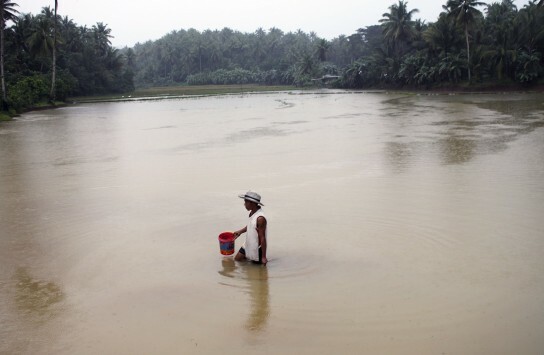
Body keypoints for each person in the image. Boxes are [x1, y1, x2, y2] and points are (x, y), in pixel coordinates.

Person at [233, 191, 268, 265]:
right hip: (248, 243)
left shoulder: (260, 218)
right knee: (237, 260)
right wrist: (240, 232)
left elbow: (262, 238)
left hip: (256, 247)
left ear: (252, 203)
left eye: (246, 202)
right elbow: (251, 225)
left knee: (255, 270)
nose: (244, 204)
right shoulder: (252, 212)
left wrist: (264, 257)